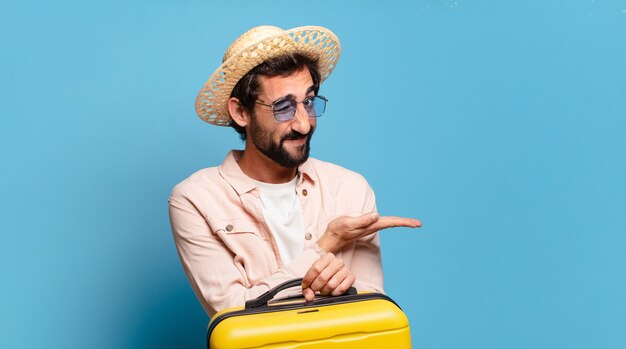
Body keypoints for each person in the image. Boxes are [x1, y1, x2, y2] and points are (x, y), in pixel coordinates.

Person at [169, 25, 421, 317]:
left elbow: (369, 312)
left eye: (309, 102)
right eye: (283, 107)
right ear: (240, 113)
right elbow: (235, 315)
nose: (304, 124)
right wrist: (327, 244)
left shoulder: (350, 189)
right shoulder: (195, 199)